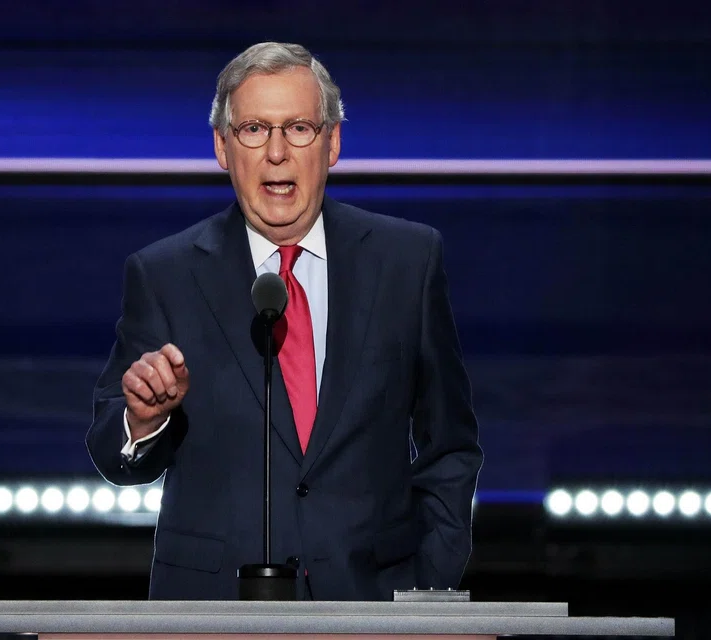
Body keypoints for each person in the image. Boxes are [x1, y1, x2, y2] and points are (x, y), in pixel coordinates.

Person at [86, 42, 482, 601]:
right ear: (222, 147)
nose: (276, 153)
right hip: (212, 611)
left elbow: (451, 444)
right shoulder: (164, 274)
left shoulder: (407, 261)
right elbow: (113, 451)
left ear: (332, 143)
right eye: (253, 129)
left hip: (371, 609)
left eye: (298, 128)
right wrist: (143, 420)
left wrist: (428, 584)